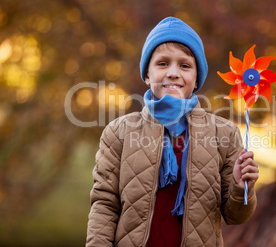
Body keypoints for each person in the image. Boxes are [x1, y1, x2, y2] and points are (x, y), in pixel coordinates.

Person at [86, 17, 259, 247]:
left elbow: (236, 216)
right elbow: (105, 204)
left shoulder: (224, 134)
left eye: (185, 65)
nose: (173, 73)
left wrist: (241, 186)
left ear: (196, 78)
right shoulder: (119, 132)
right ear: (147, 74)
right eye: (162, 63)